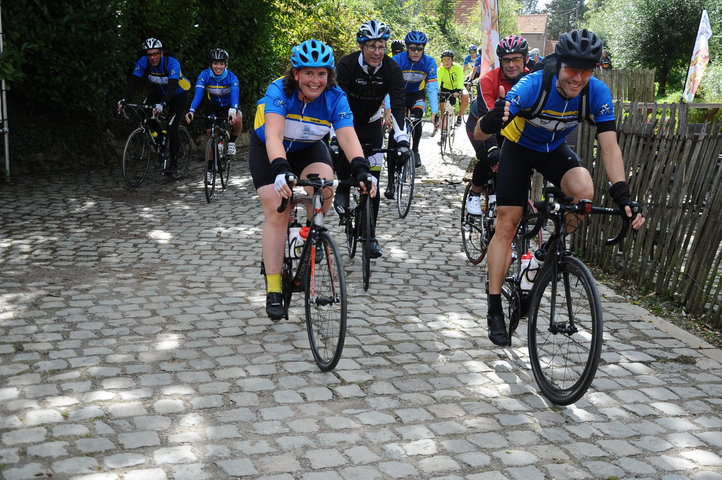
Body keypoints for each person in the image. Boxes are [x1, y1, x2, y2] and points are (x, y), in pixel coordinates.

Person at [475, 28, 645, 346]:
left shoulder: (596, 92)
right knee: (507, 225)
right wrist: (495, 118)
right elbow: (479, 134)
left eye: (586, 70)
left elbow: (610, 147)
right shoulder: (531, 86)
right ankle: (495, 308)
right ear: (559, 63)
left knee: (585, 193)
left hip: (552, 150)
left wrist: (622, 193)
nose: (577, 77)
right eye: (571, 69)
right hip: (518, 148)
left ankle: (539, 259)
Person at [249, 39, 376, 321]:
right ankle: (273, 289)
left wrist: (361, 168)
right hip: (271, 149)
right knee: (276, 209)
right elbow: (273, 136)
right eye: (308, 72)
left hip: (308, 147)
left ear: (329, 75)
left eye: (321, 73)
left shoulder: (335, 96)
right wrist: (281, 168)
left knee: (326, 185)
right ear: (296, 74)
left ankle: (310, 233)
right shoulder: (279, 91)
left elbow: (346, 136)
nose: (315, 80)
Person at [332, 20, 411, 259]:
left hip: (372, 125)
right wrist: (335, 134)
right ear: (361, 46)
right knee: (342, 159)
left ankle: (370, 235)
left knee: (373, 180)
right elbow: (336, 101)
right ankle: (343, 188)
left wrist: (401, 137)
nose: (377, 52)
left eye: (381, 46)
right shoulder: (346, 65)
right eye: (371, 46)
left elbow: (398, 105)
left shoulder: (391, 69)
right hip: (346, 123)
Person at [465, 35, 530, 216]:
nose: (511, 65)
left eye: (516, 59)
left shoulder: (532, 78)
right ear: (500, 61)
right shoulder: (487, 80)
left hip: (512, 128)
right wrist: (493, 148)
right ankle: (475, 193)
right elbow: (487, 119)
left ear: (525, 59)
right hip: (480, 123)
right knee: (489, 157)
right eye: (506, 60)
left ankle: (500, 195)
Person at [118, 38, 191, 176]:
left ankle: (173, 165)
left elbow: (173, 86)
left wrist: (162, 103)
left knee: (171, 127)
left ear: (161, 53)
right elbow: (134, 82)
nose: (152, 57)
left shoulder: (172, 62)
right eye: (149, 54)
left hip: (178, 94)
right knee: (142, 111)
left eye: (155, 54)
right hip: (159, 92)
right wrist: (124, 99)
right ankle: (160, 135)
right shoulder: (144, 62)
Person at [185, 48, 243, 184]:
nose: (218, 67)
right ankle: (210, 171)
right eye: (215, 63)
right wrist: (191, 110)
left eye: (221, 63)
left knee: (238, 118)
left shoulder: (232, 77)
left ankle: (232, 142)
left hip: (229, 105)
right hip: (213, 106)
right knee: (210, 133)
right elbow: (198, 94)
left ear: (226, 65)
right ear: (211, 64)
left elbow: (235, 97)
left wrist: (233, 111)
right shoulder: (204, 75)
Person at [389, 30, 439, 171]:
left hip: (416, 94)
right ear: (406, 48)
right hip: (399, 95)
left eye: (420, 49)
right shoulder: (397, 60)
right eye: (413, 48)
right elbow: (388, 87)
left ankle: (415, 150)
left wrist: (434, 111)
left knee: (417, 119)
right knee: (398, 126)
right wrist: (388, 108)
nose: (416, 52)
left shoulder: (428, 62)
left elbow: (432, 87)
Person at [437, 50, 469, 129]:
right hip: (445, 88)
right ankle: (443, 133)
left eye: (449, 59)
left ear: (452, 60)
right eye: (444, 59)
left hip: (457, 87)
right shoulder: (440, 70)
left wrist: (458, 91)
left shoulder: (458, 68)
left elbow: (460, 80)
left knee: (465, 95)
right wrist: (436, 91)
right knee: (442, 111)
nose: (447, 62)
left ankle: (460, 116)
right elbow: (438, 82)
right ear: (442, 61)